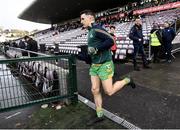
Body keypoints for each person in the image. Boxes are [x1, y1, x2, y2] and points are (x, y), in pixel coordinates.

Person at [80, 10, 136, 125]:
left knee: (109, 92)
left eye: (82, 19)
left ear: (90, 18)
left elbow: (111, 40)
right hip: (94, 66)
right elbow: (92, 50)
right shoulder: (90, 31)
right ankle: (99, 115)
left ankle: (127, 80)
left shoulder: (96, 28)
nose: (81, 21)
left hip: (105, 64)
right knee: (95, 90)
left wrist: (96, 49)